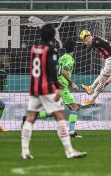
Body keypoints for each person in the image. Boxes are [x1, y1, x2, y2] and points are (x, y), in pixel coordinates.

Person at [21, 24, 87, 159]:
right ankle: (70, 151)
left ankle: (25, 151)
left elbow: (36, 67)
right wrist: (56, 87)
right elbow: (51, 70)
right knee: (60, 117)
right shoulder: (51, 50)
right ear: (52, 36)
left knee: (30, 118)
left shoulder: (34, 49)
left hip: (34, 87)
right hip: (46, 87)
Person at [32, 40, 82, 138]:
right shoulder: (70, 59)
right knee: (75, 107)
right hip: (62, 87)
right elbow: (64, 71)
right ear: (74, 49)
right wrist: (72, 83)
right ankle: (71, 132)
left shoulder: (61, 58)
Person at [78, 30, 111, 106]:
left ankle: (92, 99)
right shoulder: (96, 40)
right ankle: (91, 88)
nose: (85, 43)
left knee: (102, 81)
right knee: (102, 75)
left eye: (85, 41)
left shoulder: (95, 41)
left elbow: (107, 45)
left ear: (87, 38)